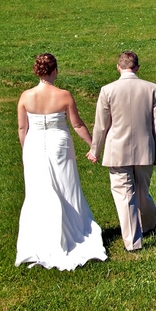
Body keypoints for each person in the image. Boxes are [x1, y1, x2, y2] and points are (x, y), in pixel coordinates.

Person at [15, 53, 107, 270]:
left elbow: (22, 128)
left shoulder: (26, 96)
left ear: (37, 71)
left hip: (34, 143)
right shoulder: (64, 95)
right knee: (66, 187)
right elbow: (77, 125)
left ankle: (40, 236)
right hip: (59, 143)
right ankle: (73, 232)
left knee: (37, 189)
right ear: (55, 71)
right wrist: (93, 146)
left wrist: (25, 151)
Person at [86, 51, 156, 252]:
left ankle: (133, 243)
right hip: (145, 149)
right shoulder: (151, 88)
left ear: (118, 67)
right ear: (137, 67)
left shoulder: (108, 90)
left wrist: (95, 149)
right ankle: (148, 225)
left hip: (117, 150)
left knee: (124, 196)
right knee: (142, 192)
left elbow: (101, 125)